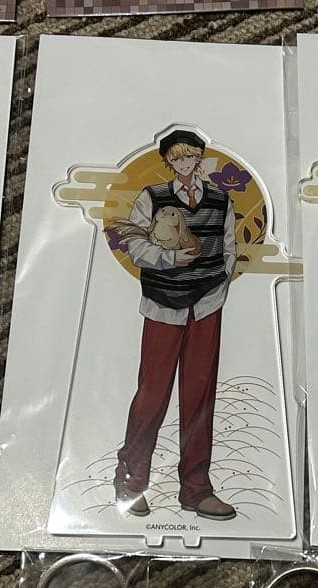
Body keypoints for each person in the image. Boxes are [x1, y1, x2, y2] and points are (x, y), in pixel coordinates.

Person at [111, 129, 237, 521]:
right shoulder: (151, 197)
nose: (185, 163)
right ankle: (131, 480)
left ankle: (196, 489)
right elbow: (136, 246)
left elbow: (229, 248)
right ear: (169, 161)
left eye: (191, 156)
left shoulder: (220, 199)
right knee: (152, 395)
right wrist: (169, 261)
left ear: (199, 158)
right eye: (178, 158)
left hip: (207, 305)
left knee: (199, 397)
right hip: (164, 305)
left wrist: (217, 285)